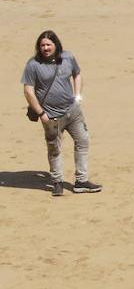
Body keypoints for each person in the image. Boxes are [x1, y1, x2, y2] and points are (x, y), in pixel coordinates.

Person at [20, 30, 101, 196]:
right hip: (51, 116)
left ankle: (81, 181)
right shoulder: (33, 64)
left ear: (56, 45)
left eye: (48, 45)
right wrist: (41, 113)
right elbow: (28, 91)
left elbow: (77, 74)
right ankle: (57, 182)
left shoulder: (68, 58)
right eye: (42, 45)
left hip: (73, 111)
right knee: (54, 149)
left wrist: (77, 96)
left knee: (83, 141)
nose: (45, 48)